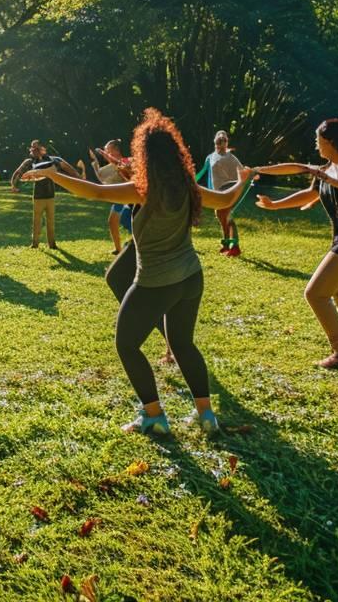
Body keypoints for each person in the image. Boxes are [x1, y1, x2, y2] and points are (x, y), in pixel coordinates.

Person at [26, 109, 253, 435]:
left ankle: (154, 415)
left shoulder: (144, 190)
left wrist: (52, 175)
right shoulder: (189, 187)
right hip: (191, 277)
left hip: (156, 282)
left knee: (127, 345)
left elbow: (97, 192)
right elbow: (225, 199)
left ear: (145, 156)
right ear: (176, 153)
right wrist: (243, 181)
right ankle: (206, 416)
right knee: (184, 344)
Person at [255, 119, 338, 371]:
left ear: (331, 142)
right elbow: (311, 193)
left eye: (319, 141)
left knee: (315, 294)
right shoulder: (330, 168)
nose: (316, 145)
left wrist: (333, 180)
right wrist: (275, 205)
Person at [10, 140, 79, 249]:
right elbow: (18, 172)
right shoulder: (30, 162)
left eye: (36, 148)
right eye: (32, 148)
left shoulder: (53, 160)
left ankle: (52, 244)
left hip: (50, 195)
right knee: (37, 221)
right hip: (38, 196)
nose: (33, 150)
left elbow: (70, 170)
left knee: (50, 221)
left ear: (43, 149)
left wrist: (78, 179)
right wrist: (13, 184)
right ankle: (34, 244)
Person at [198, 132, 245, 257]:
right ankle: (226, 244)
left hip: (229, 189)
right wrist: (191, 181)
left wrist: (252, 175)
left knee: (227, 215)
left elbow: (242, 171)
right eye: (219, 140)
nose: (221, 142)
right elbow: (202, 171)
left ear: (227, 142)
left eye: (224, 140)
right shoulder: (210, 157)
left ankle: (234, 246)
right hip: (217, 191)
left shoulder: (231, 158)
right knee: (220, 215)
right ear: (215, 142)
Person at [88, 140, 133, 255]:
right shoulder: (109, 166)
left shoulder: (128, 161)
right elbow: (100, 177)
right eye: (106, 150)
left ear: (117, 150)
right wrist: (95, 161)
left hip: (129, 199)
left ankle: (139, 243)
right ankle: (118, 249)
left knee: (127, 221)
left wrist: (104, 156)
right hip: (119, 199)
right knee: (112, 222)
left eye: (109, 150)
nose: (107, 152)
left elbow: (122, 167)